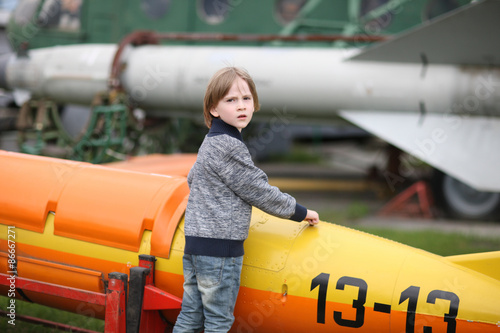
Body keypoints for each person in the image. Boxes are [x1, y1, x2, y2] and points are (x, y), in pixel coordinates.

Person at [173, 66, 320, 333]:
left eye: (246, 98)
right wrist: (299, 211)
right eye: (231, 100)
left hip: (195, 245)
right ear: (214, 109)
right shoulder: (229, 146)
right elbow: (257, 190)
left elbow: (193, 179)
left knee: (191, 316)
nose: (241, 106)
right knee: (218, 321)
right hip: (219, 250)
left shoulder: (211, 141)